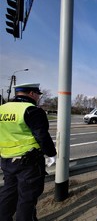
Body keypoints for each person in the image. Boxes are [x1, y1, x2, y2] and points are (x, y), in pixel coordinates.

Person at [0, 83, 57, 221]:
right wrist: (51, 154)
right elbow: (42, 136)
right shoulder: (32, 110)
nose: (38, 97)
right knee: (27, 199)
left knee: (8, 195)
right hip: (28, 163)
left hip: (7, 160)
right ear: (32, 94)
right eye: (38, 94)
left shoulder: (2, 109)